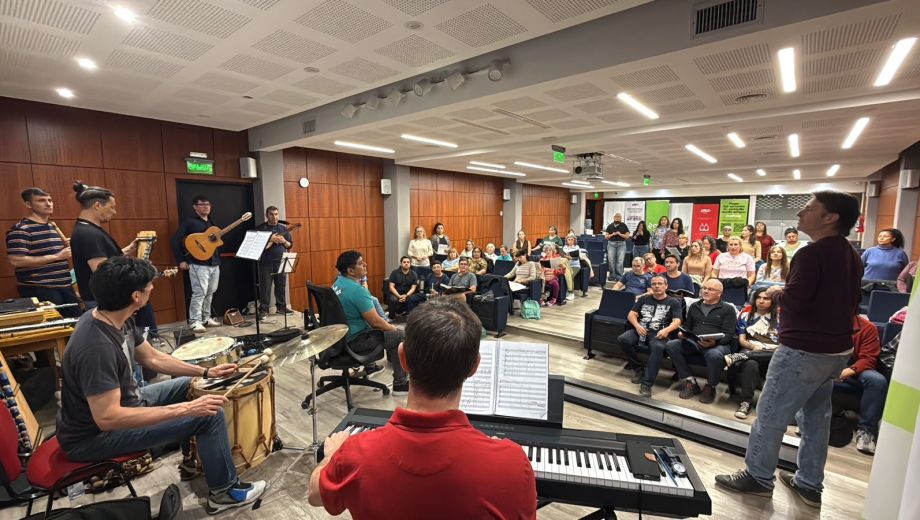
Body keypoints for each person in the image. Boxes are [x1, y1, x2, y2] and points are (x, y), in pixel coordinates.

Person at [56, 256, 265, 514]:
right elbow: (108, 418)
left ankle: (192, 462)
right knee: (209, 415)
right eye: (148, 285)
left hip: (129, 403)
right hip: (93, 438)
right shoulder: (95, 347)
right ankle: (224, 493)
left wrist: (206, 371)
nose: (153, 287)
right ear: (135, 296)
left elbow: (152, 357)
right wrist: (187, 410)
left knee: (192, 384)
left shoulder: (115, 316)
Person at [307, 298, 537, 519]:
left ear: (402, 358)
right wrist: (493, 455)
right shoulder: (511, 463)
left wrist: (333, 456)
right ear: (474, 367)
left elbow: (314, 495)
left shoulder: (355, 453)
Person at [715, 190, 863, 509]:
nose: (799, 214)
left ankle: (757, 477)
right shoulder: (849, 252)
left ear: (830, 217)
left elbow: (796, 300)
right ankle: (809, 483)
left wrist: (776, 293)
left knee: (770, 414)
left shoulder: (811, 254)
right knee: (815, 419)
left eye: (808, 209)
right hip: (835, 349)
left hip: (804, 349)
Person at [70, 183, 161, 343]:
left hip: (109, 301)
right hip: (109, 303)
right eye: (112, 207)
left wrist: (130, 249)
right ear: (97, 205)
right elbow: (104, 272)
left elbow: (106, 258)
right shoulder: (88, 233)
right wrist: (139, 271)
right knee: (126, 346)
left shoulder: (88, 229)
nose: (114, 212)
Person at [333, 251, 409, 394]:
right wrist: (394, 329)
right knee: (400, 335)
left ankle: (371, 367)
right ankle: (400, 384)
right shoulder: (357, 291)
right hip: (355, 341)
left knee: (390, 333)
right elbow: (376, 323)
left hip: (339, 339)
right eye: (361, 263)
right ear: (350, 270)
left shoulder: (337, 284)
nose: (365, 264)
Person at [5, 188, 80, 317]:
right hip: (41, 288)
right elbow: (16, 260)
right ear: (28, 205)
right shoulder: (22, 229)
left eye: (50, 200)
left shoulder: (52, 227)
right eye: (41, 200)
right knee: (55, 329)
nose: (48, 204)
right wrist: (57, 256)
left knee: (76, 325)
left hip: (64, 286)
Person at [665, 279, 736, 404]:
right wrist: (683, 333)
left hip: (717, 344)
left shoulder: (728, 309)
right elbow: (688, 326)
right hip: (694, 341)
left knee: (715, 354)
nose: (706, 291)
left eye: (710, 289)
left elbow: (729, 334)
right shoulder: (695, 306)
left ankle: (710, 386)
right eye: (704, 288)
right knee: (672, 345)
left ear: (720, 293)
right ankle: (690, 381)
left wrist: (715, 343)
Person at [617, 275, 682, 397]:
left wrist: (667, 330)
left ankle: (646, 384)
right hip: (641, 329)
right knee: (623, 339)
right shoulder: (644, 299)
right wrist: (637, 326)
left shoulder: (673, 302)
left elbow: (677, 321)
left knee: (657, 348)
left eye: (659, 284)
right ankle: (638, 369)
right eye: (654, 284)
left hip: (659, 333)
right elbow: (631, 314)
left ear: (666, 286)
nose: (656, 286)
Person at [832, 314, 888, 455]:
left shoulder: (867, 328)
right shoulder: (825, 320)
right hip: (829, 363)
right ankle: (806, 419)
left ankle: (866, 432)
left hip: (856, 369)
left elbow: (868, 358)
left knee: (877, 380)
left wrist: (849, 370)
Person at [723, 288, 781, 420]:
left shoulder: (780, 317)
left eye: (766, 298)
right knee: (751, 364)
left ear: (772, 301)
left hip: (773, 352)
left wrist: (764, 348)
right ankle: (746, 402)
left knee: (779, 352)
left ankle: (740, 357)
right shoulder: (746, 314)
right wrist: (753, 346)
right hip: (751, 349)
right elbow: (742, 340)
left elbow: (784, 344)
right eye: (758, 297)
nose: (761, 301)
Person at [171, 195, 222, 334]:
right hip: (198, 264)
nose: (206, 206)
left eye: (208, 204)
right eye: (202, 204)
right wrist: (181, 260)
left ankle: (206, 318)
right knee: (199, 293)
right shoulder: (189, 222)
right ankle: (194, 321)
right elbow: (176, 240)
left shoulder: (212, 223)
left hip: (214, 263)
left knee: (210, 292)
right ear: (195, 207)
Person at [255, 206, 293, 316]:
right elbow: (256, 244)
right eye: (271, 214)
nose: (274, 217)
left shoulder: (283, 229)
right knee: (265, 287)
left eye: (276, 214)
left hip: (281, 261)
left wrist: (284, 240)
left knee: (281, 285)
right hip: (266, 262)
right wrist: (270, 239)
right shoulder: (260, 228)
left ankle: (281, 307)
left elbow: (290, 244)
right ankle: (263, 310)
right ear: (267, 215)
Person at [604, 212, 629, 281]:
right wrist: (612, 234)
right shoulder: (610, 226)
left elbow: (627, 236)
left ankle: (619, 276)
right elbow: (606, 237)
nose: (617, 217)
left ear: (621, 218)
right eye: (616, 216)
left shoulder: (624, 226)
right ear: (614, 217)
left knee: (620, 261)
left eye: (619, 216)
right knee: (611, 260)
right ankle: (612, 275)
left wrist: (620, 234)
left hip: (621, 244)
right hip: (611, 244)